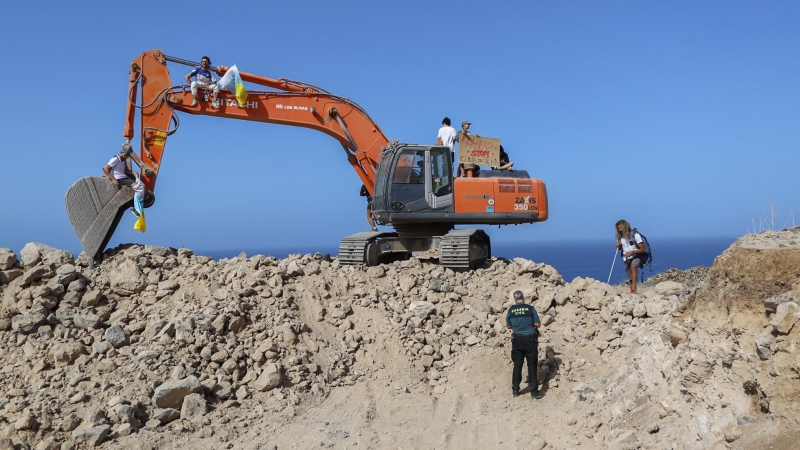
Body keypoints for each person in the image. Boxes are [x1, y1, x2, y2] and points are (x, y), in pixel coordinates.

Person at [506, 290, 544, 399]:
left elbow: (509, 326)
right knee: (531, 366)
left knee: (517, 366)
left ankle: (515, 390)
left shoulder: (511, 310)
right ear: (523, 297)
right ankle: (534, 392)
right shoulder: (530, 309)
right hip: (530, 340)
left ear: (515, 299)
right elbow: (538, 324)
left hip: (517, 340)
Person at [103, 147, 141, 217]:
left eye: (127, 156)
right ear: (121, 153)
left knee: (138, 188)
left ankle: (135, 207)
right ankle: (135, 208)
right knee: (138, 187)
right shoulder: (115, 159)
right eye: (125, 155)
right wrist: (113, 179)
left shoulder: (123, 160)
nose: (126, 157)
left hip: (124, 177)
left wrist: (133, 172)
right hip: (119, 179)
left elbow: (126, 171)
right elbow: (105, 169)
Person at [615, 219, 646, 294]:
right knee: (629, 274)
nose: (619, 230)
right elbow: (621, 248)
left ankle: (633, 289)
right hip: (626, 258)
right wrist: (618, 246)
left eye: (620, 228)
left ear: (625, 227)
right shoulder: (621, 237)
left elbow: (643, 249)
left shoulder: (635, 235)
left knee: (633, 266)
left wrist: (631, 252)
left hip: (637, 255)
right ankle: (632, 288)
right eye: (618, 228)